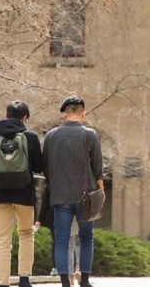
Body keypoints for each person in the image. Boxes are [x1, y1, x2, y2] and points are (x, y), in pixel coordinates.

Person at [0, 100, 44, 287]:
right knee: (25, 233)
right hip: (24, 192)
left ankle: (2, 282)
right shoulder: (30, 136)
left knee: (2, 238)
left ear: (6, 115)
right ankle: (24, 278)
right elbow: (39, 166)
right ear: (25, 118)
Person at [43, 96, 105, 287]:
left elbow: (46, 167)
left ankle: (64, 281)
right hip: (86, 196)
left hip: (60, 196)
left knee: (62, 239)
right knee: (86, 238)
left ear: (64, 113)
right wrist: (101, 191)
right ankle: (84, 280)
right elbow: (97, 167)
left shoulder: (51, 136)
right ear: (83, 113)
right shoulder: (90, 135)